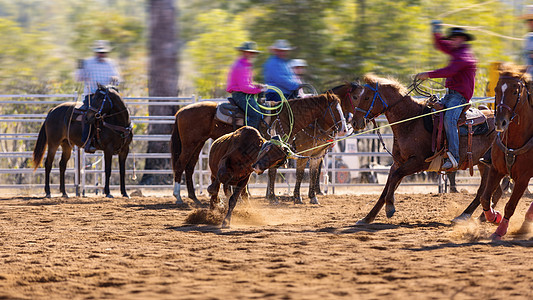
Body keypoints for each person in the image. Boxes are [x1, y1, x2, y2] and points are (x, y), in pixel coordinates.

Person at [415, 22, 477, 170]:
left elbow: (450, 70)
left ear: (462, 39)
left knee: (449, 119)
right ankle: (435, 150)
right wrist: (436, 31)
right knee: (430, 113)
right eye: (452, 38)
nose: (452, 41)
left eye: (455, 38)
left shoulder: (464, 55)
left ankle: (454, 157)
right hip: (450, 95)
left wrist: (428, 74)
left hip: (460, 97)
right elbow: (441, 45)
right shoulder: (457, 51)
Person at [75, 40, 121, 153]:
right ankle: (87, 141)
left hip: (107, 96)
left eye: (103, 52)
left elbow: (117, 79)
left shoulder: (110, 64)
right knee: (89, 114)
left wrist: (115, 78)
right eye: (99, 52)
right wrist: (80, 69)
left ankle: (120, 139)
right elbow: (79, 78)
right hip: (92, 95)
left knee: (119, 112)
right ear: (95, 52)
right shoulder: (88, 63)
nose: (101, 54)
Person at [226, 41, 267, 130]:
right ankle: (248, 138)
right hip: (240, 95)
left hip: (242, 93)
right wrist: (259, 90)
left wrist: (256, 86)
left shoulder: (244, 64)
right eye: (249, 52)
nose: (251, 54)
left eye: (252, 52)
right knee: (256, 114)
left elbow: (246, 83)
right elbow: (244, 87)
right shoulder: (242, 66)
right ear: (244, 52)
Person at [520, 5, 533, 76]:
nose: (530, 23)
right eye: (528, 20)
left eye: (532, 20)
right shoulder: (528, 38)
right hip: (528, 76)